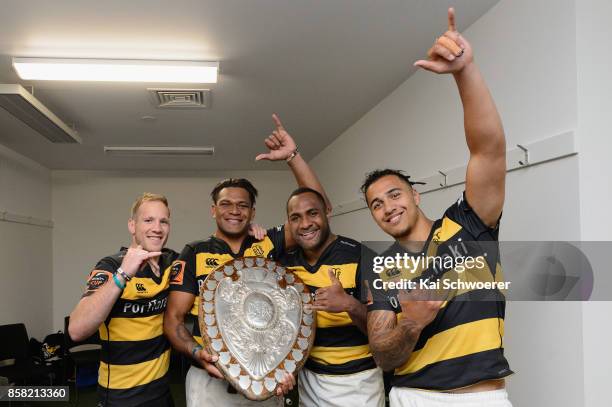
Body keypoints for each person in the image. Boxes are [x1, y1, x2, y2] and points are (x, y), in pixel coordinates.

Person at [361, 8, 513, 407]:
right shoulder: (380, 269)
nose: (388, 207)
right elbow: (383, 354)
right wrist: (411, 322)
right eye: (376, 204)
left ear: (415, 195)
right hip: (415, 396)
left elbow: (489, 151)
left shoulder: (469, 223)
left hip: (483, 397)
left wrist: (465, 73)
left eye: (394, 194)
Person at [163, 114, 328, 407]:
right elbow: (174, 319)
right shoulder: (195, 252)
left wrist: (292, 156)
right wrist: (195, 353)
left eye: (243, 205)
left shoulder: (268, 242)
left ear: (252, 212)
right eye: (225, 204)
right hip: (210, 374)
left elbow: (318, 208)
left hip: (267, 372)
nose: (234, 211)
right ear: (214, 210)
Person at [68, 193, 179, 407]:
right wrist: (123, 274)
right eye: (148, 220)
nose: (157, 227)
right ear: (132, 225)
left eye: (163, 221)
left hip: (162, 395)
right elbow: (76, 329)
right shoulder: (110, 266)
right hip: (120, 399)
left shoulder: (172, 263)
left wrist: (246, 234)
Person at [277, 186, 384, 407]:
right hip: (309, 378)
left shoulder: (362, 256)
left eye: (313, 213)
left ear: (327, 211)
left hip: (357, 382)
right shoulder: (285, 264)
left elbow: (383, 333)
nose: (305, 224)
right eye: (296, 218)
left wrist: (350, 304)